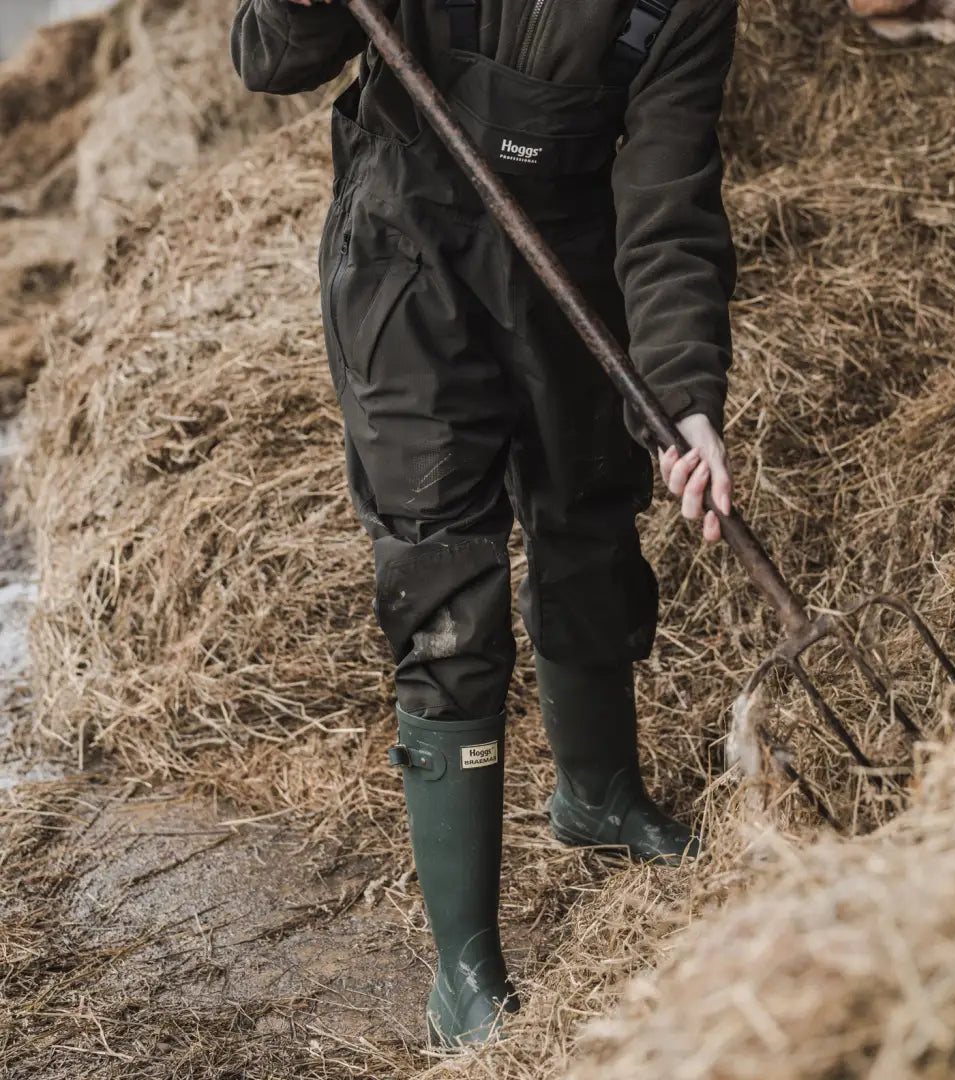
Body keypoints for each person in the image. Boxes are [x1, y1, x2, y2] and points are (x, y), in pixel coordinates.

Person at [231, 0, 737, 1047]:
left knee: (592, 523)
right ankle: (463, 968)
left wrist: (685, 397)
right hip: (405, 257)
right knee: (448, 587)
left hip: (567, 258)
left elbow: (670, 199)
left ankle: (598, 794)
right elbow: (266, 58)